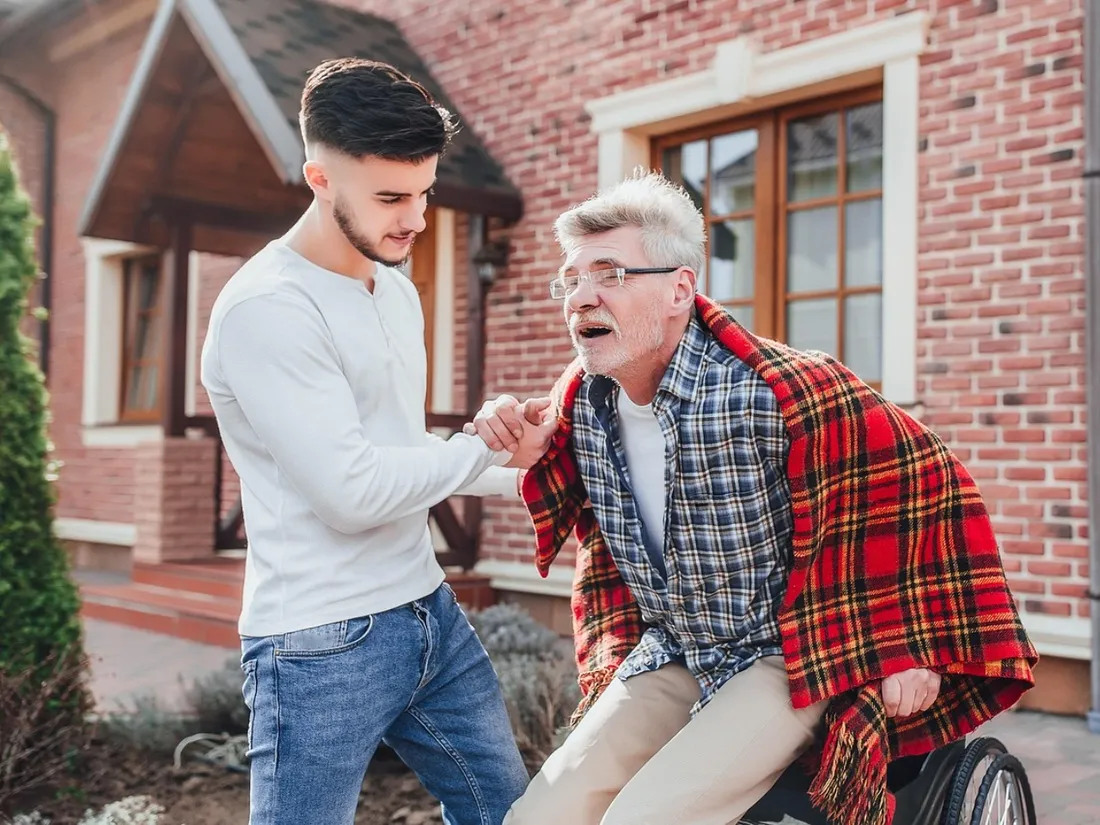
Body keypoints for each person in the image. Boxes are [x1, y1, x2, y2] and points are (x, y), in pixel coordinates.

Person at [470, 170, 1037, 825]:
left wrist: (913, 644)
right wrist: (517, 444)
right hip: (676, 648)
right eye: (570, 280)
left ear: (680, 289)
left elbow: (925, 482)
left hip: (785, 659)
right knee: (539, 814)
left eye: (610, 274)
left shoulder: (779, 392)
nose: (580, 298)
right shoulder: (581, 407)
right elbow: (545, 463)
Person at [199, 58, 553, 825]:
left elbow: (397, 445)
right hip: (320, 641)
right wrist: (486, 450)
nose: (415, 219)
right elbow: (352, 491)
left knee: (512, 814)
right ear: (319, 178)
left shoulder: (392, 286)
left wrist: (526, 468)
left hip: (426, 609)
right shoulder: (268, 309)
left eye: (424, 193)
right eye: (391, 197)